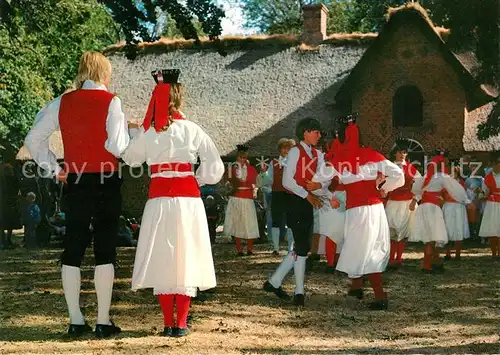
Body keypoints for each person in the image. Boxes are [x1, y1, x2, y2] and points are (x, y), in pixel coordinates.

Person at [25, 51, 130, 338]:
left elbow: (33, 139)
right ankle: (103, 320)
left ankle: (75, 319)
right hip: (107, 181)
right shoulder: (113, 101)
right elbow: (118, 146)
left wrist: (52, 167)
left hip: (76, 181)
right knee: (105, 248)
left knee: (73, 247)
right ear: (104, 74)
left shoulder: (62, 102)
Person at [121, 69, 224, 337]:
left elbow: (130, 158)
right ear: (180, 99)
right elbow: (215, 168)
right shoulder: (193, 130)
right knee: (186, 257)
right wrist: (195, 180)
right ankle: (181, 324)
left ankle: (168, 322)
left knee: (163, 258)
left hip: (158, 201)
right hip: (188, 202)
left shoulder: (149, 133)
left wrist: (135, 134)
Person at [311, 114, 404, 310]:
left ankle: (379, 295)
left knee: (359, 247)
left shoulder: (337, 161)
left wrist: (329, 196)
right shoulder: (372, 156)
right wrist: (384, 188)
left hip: (358, 211)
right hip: (374, 210)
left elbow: (316, 183)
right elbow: (398, 174)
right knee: (367, 247)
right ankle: (358, 287)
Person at [263, 118, 338, 307]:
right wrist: (308, 195)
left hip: (306, 201)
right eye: (316, 132)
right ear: (305, 132)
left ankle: (277, 283)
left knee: (302, 246)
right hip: (295, 200)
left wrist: (325, 191)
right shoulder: (295, 151)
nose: (319, 135)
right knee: (302, 246)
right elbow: (288, 181)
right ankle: (298, 291)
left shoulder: (318, 155)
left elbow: (324, 178)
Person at [410, 150, 473, 273]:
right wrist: (467, 201)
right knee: (433, 238)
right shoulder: (443, 177)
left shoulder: (426, 177)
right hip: (433, 209)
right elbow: (456, 189)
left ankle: (434, 262)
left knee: (429, 237)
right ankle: (427, 266)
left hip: (423, 207)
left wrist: (413, 201)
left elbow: (417, 191)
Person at [385, 138, 421, 269]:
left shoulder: (411, 169)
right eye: (399, 152)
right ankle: (390, 258)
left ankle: (398, 259)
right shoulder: (389, 167)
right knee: (391, 230)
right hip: (392, 202)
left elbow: (420, 185)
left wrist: (415, 199)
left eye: (404, 152)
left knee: (402, 232)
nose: (402, 154)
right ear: (395, 153)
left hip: (406, 203)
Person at [223, 145, 260, 256]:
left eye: (244, 158)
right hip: (236, 197)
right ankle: (239, 249)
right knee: (237, 223)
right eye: (240, 157)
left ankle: (250, 249)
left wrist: (255, 191)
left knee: (249, 223)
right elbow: (226, 183)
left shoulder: (252, 169)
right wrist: (228, 186)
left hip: (248, 197)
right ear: (237, 158)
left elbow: (257, 182)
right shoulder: (231, 169)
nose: (242, 160)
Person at [265, 138, 295, 255]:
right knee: (276, 220)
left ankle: (291, 248)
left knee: (291, 221)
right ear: (280, 149)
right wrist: (270, 189)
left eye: (289, 148)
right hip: (277, 194)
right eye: (284, 148)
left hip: (290, 193)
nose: (286, 150)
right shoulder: (273, 163)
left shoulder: (294, 162)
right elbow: (268, 179)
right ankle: (276, 248)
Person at [443, 161, 470, 260]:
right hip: (448, 206)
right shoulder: (445, 182)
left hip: (459, 207)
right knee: (448, 229)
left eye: (454, 172)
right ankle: (448, 253)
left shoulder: (461, 183)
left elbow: (464, 195)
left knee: (459, 228)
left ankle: (458, 254)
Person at [478, 151, 500, 258]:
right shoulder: (489, 177)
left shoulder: (490, 176)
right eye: (497, 163)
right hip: (492, 204)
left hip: (495, 203)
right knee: (492, 229)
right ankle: (494, 254)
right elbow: (485, 192)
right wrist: (480, 194)